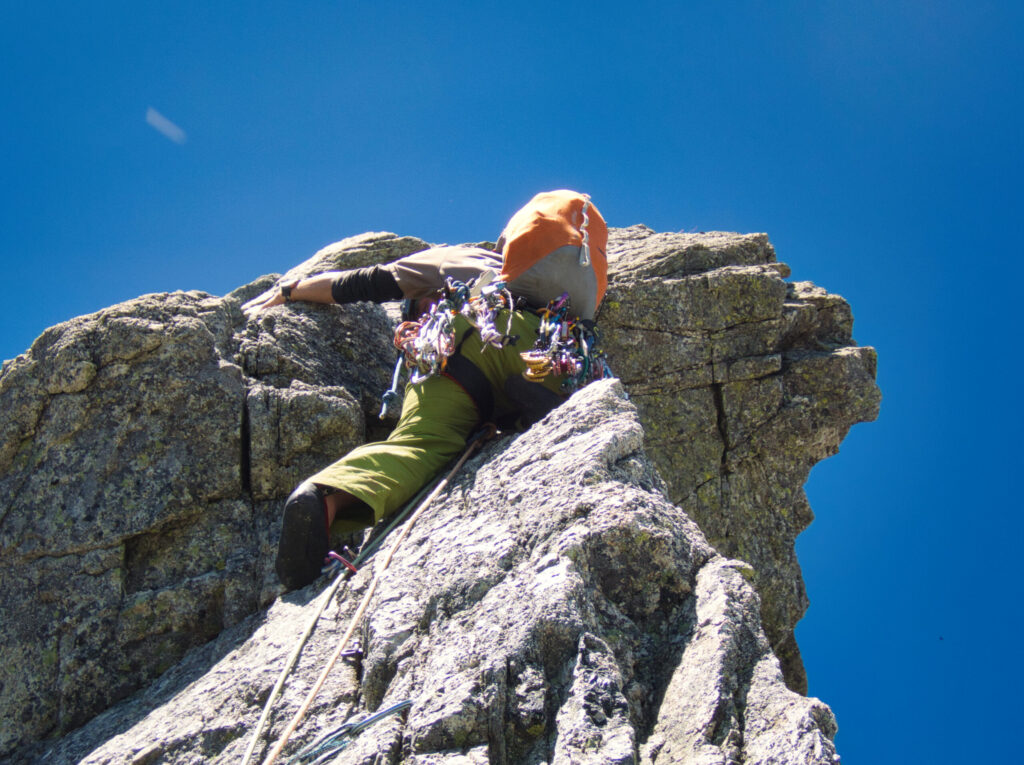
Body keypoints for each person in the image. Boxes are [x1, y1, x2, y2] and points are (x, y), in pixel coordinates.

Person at [243, 191, 608, 590]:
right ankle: (544, 405)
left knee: (418, 444)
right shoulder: (547, 277)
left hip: (458, 345)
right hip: (541, 343)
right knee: (574, 380)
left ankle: (324, 498)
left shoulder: (454, 258)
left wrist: (291, 290)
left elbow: (365, 282)